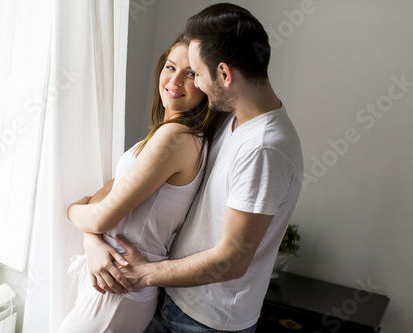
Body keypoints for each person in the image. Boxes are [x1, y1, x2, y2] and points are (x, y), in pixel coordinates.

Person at [85, 3, 304, 333]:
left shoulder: (263, 148)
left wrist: (144, 274)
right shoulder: (232, 119)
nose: (196, 84)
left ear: (225, 75)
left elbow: (232, 259)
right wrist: (94, 238)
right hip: (174, 298)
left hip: (207, 320)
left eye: (197, 73)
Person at [56, 33, 226, 333]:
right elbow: (100, 200)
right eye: (170, 67)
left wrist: (71, 211)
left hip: (120, 285)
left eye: (190, 74)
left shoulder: (176, 138)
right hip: (108, 274)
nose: (175, 80)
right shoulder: (159, 137)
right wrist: (92, 241)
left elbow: (100, 215)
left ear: (204, 84)